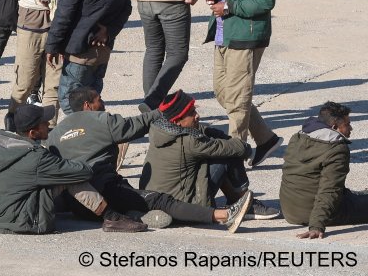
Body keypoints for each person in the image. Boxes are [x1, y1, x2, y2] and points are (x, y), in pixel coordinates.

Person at [49, 87, 252, 233]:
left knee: (136, 197)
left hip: (75, 204)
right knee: (158, 199)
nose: (103, 103)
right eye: (98, 99)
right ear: (88, 105)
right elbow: (135, 126)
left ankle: (135, 213)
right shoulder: (100, 120)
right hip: (104, 192)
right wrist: (164, 110)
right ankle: (223, 215)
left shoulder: (56, 133)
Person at [0, 104, 146, 234]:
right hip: (17, 221)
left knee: (55, 177)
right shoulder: (36, 158)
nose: (48, 124)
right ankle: (111, 217)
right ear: (33, 133)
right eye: (44, 123)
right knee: (71, 177)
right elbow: (84, 172)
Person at [204, 0, 282, 166]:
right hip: (223, 32)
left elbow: (265, 0)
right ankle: (266, 139)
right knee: (222, 91)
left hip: (246, 36)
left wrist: (229, 6)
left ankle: (234, 158)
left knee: (238, 100)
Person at [140, 90, 279, 220]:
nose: (197, 115)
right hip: (186, 207)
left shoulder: (161, 130)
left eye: (195, 110)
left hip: (159, 201)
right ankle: (245, 203)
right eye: (191, 113)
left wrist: (220, 136)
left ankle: (236, 198)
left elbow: (203, 130)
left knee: (222, 148)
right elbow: (233, 147)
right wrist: (246, 149)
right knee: (229, 154)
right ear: (177, 121)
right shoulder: (190, 143)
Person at [280, 102, 365, 238]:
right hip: (314, 214)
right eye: (347, 124)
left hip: (290, 212)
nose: (351, 128)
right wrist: (317, 225)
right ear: (334, 127)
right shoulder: (336, 148)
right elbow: (330, 190)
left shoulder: (297, 137)